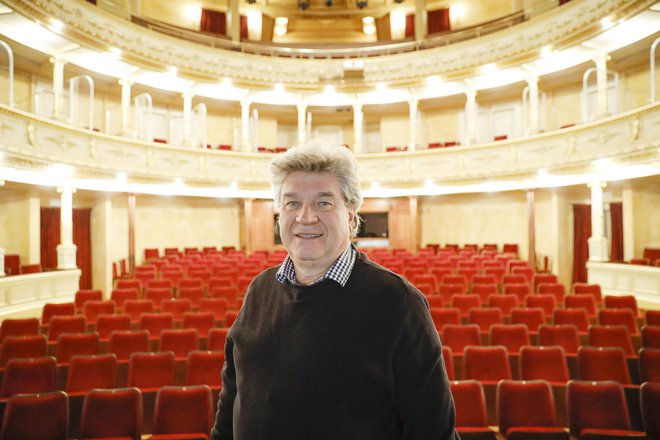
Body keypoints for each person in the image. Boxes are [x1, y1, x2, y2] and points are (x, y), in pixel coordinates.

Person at [211, 139, 458, 440]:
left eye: (323, 202)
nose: (305, 217)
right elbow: (232, 394)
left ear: (351, 214)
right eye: (292, 203)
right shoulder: (259, 289)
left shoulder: (398, 303)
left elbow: (432, 429)